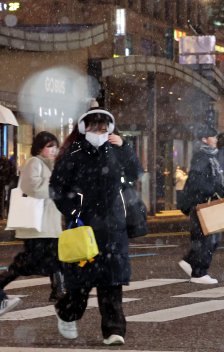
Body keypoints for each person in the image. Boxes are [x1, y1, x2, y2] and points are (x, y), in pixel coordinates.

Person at [49, 109, 141, 345]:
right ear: (83, 128)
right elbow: (56, 187)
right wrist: (74, 210)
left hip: (113, 228)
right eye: (93, 128)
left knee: (112, 281)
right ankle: (67, 313)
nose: (98, 133)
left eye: (102, 128)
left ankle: (114, 330)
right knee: (80, 285)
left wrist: (125, 147)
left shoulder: (116, 150)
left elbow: (134, 173)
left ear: (109, 129)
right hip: (83, 226)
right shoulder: (74, 153)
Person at [0, 132, 63, 318]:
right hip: (37, 226)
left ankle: (59, 290)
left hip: (49, 226)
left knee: (56, 258)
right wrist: (55, 185)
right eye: (49, 146)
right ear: (39, 148)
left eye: (55, 146)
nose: (53, 150)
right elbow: (32, 188)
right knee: (28, 262)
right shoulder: (34, 162)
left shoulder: (51, 165)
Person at [177, 125, 224, 285]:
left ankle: (190, 262)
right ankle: (199, 273)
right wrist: (215, 190)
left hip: (208, 203)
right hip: (202, 203)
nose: (216, 140)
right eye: (213, 137)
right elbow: (198, 182)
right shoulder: (201, 156)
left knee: (211, 238)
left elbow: (216, 179)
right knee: (207, 239)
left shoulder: (210, 156)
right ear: (204, 139)